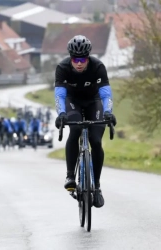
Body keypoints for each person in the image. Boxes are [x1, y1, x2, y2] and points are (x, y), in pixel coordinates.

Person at [54, 35, 117, 208]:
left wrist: (108, 112)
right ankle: (70, 176)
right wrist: (61, 114)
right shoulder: (62, 67)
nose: (79, 63)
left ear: (88, 57)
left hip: (93, 102)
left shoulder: (98, 67)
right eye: (75, 59)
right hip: (72, 102)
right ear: (71, 58)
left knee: (96, 141)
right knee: (75, 130)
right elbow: (60, 95)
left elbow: (105, 93)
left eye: (83, 59)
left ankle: (96, 186)